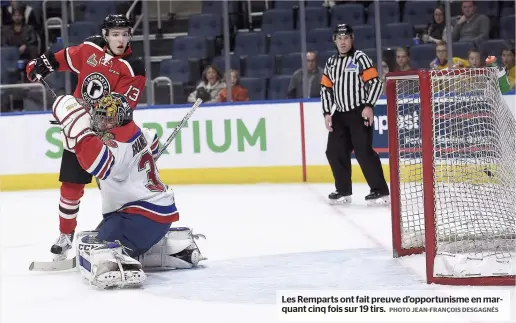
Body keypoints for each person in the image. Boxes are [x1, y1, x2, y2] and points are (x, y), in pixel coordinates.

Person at [51, 93, 206, 288]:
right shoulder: (138, 131)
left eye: (109, 118)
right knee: (98, 234)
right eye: (100, 116)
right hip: (159, 217)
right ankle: (173, 251)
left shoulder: (117, 143)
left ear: (121, 118)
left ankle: (117, 264)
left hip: (137, 219)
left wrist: (80, 131)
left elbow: (99, 165)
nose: (102, 122)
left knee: (90, 246)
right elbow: (154, 141)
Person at [25, 14, 147, 262]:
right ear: (105, 35)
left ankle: (126, 231)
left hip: (112, 137)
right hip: (79, 129)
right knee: (71, 186)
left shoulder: (134, 66)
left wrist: (96, 116)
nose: (121, 39)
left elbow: (124, 107)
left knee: (117, 187)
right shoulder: (90, 48)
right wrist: (42, 64)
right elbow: (62, 59)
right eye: (115, 34)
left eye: (125, 34)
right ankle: (65, 235)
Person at [320, 24, 389, 205]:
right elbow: (326, 88)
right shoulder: (331, 62)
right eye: (339, 38)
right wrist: (327, 112)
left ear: (352, 39)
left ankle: (380, 190)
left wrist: (369, 106)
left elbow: (375, 83)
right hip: (340, 114)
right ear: (335, 40)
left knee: (363, 152)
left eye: (346, 38)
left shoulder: (361, 58)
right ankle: (343, 190)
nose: (342, 42)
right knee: (334, 151)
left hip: (359, 112)